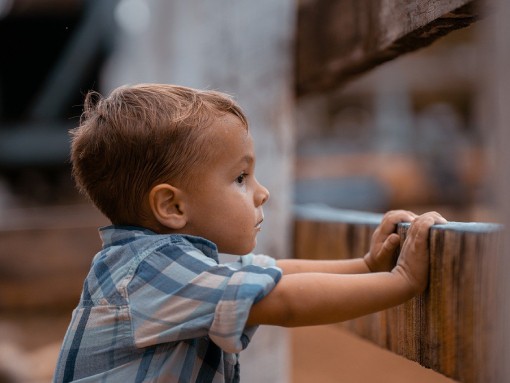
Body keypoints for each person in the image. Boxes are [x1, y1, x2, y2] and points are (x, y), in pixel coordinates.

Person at [53, 83, 447, 383]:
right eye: (240, 178)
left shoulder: (167, 264)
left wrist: (366, 267)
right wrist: (403, 282)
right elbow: (285, 301)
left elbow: (273, 273)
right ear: (172, 207)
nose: (262, 192)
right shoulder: (149, 272)